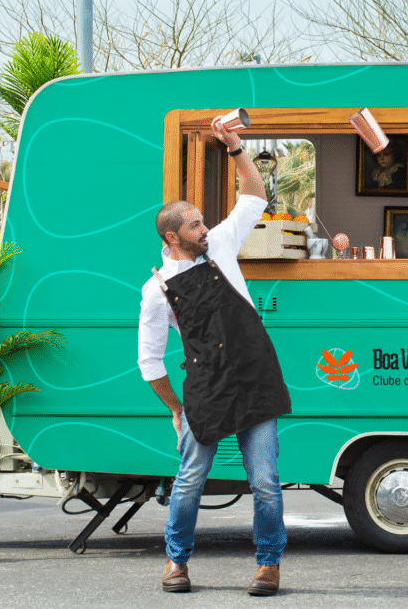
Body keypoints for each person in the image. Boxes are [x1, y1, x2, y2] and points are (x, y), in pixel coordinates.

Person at [138, 116, 290, 596]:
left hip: (255, 376)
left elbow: (254, 196)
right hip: (205, 387)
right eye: (195, 224)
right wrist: (176, 410)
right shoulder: (156, 289)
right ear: (171, 237)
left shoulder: (222, 245)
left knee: (265, 481)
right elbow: (151, 362)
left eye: (203, 221)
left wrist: (235, 147)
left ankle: (268, 566)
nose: (205, 229)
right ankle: (176, 563)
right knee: (189, 482)